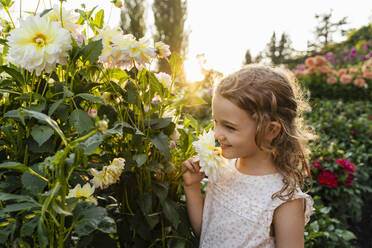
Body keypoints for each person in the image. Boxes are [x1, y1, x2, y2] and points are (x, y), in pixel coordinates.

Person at [182, 64, 316, 248]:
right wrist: (192, 187)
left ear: (270, 130)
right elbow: (206, 233)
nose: (216, 134)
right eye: (215, 122)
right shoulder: (223, 170)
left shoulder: (283, 199)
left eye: (229, 127)